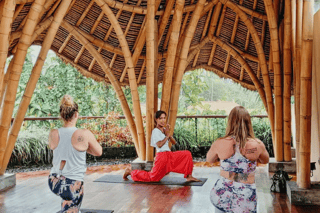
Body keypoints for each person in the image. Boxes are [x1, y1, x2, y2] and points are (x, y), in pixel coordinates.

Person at [206, 106, 269, 213]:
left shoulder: (219, 143)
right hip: (245, 197)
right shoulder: (257, 144)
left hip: (222, 195)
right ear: (248, 123)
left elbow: (209, 159)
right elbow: (265, 160)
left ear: (230, 122)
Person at [48, 95, 102, 213]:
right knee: (72, 208)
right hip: (72, 183)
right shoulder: (83, 134)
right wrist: (85, 147)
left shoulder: (53, 133)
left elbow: (60, 147)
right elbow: (99, 152)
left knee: (67, 200)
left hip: (53, 181)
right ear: (76, 115)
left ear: (61, 115)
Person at [123, 110, 201, 182]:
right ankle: (131, 172)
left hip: (169, 155)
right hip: (162, 157)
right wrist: (166, 136)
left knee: (187, 154)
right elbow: (159, 145)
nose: (163, 120)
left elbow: (174, 142)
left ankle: (189, 176)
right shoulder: (155, 131)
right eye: (160, 118)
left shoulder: (164, 130)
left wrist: (169, 134)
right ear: (156, 119)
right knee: (153, 178)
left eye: (164, 118)